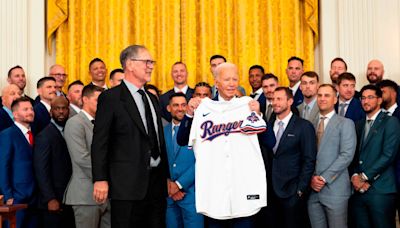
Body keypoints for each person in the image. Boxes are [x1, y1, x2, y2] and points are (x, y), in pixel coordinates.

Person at [91, 45, 170, 227]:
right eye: (147, 62)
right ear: (130, 64)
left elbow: (157, 138)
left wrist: (166, 176)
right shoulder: (111, 98)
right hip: (126, 186)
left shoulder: (151, 98)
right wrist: (100, 179)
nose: (151, 66)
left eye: (152, 62)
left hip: (156, 185)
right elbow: (100, 142)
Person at [349, 85, 400, 227]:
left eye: (370, 97)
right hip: (358, 191)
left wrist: (364, 177)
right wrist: (354, 176)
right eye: (363, 98)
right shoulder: (358, 125)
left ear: (379, 100)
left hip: (381, 191)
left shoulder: (390, 122)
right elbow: (352, 154)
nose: (366, 101)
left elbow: (388, 155)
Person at [267, 87, 317, 228]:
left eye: (279, 99)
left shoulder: (304, 126)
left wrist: (300, 189)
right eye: (273, 99)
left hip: (292, 192)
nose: (275, 102)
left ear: (290, 101)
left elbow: (309, 160)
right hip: (270, 193)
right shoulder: (267, 126)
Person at [307, 84, 356, 228]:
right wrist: (310, 178)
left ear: (335, 99)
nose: (322, 99)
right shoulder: (310, 124)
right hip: (312, 190)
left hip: (335, 191)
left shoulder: (345, 123)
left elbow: (346, 155)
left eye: (327, 95)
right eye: (320, 95)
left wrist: (322, 178)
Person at [64, 85, 109, 228]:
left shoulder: (105, 123)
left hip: (109, 194)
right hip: (85, 194)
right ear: (85, 99)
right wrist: (105, 177)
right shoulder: (75, 123)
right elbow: (81, 158)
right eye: (98, 100)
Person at [33, 97, 75, 228]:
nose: (61, 112)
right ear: (51, 112)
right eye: (57, 109)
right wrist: (50, 198)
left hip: (69, 198)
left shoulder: (71, 131)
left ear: (69, 111)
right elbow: (41, 170)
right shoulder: (44, 136)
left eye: (64, 108)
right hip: (53, 201)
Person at [164, 93, 203, 228]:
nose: (180, 108)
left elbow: (202, 161)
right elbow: (160, 161)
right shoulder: (163, 131)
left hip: (192, 196)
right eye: (175, 105)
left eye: (183, 105)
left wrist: (179, 185)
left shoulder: (198, 130)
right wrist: (169, 184)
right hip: (169, 197)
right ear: (169, 108)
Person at [0, 97, 38, 228]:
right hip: (16, 198)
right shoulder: (7, 134)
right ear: (15, 114)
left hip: (35, 197)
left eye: (31, 109)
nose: (30, 112)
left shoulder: (35, 134)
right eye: (25, 109)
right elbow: (3, 166)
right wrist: (8, 195)